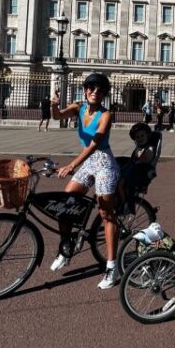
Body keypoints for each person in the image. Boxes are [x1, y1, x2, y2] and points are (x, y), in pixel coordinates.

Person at [50, 72, 121, 289]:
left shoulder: (106, 115)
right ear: (85, 90)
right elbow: (57, 117)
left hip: (104, 164)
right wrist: (54, 104)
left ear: (104, 94)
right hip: (89, 163)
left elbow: (94, 144)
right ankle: (66, 248)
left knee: (106, 214)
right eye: (91, 88)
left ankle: (112, 266)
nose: (95, 92)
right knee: (66, 204)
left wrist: (72, 165)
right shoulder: (78, 107)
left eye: (100, 90)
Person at [117, 122, 156, 213]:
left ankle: (125, 204)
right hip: (133, 170)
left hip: (138, 172)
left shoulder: (149, 149)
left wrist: (140, 157)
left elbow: (145, 160)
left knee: (120, 184)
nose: (140, 138)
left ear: (148, 135)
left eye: (142, 136)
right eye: (137, 137)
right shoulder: (139, 148)